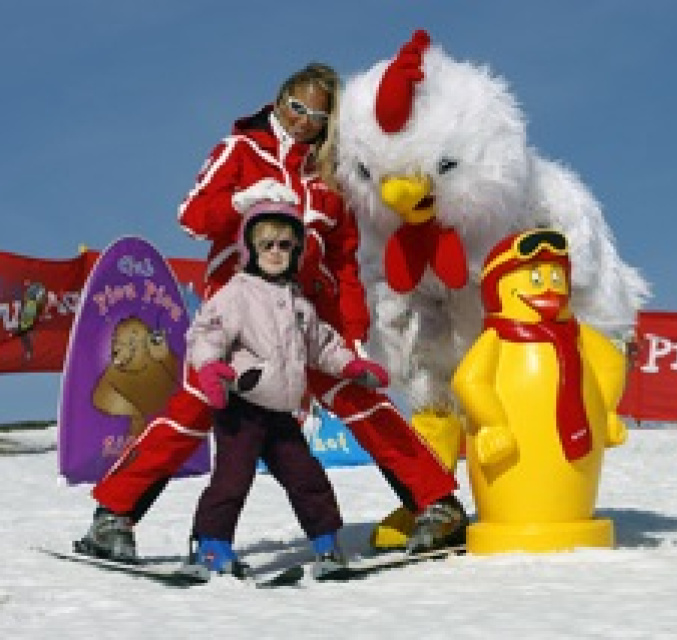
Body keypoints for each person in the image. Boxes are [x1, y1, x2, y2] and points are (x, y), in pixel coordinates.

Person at [76, 62, 466, 563]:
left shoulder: (331, 179)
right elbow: (193, 216)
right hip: (239, 317)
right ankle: (114, 516)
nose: (303, 120)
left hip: (305, 320)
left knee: (365, 402)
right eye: (295, 107)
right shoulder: (241, 151)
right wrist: (242, 199)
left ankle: (437, 504)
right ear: (279, 100)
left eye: (317, 115)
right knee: (192, 410)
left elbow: (344, 262)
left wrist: (350, 333)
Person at [185, 200, 387, 579]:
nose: (277, 252)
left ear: (296, 251)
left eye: (285, 245)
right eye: (267, 245)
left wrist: (351, 365)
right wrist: (210, 367)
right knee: (232, 479)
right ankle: (211, 548)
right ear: (250, 250)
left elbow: (322, 345)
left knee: (307, 477)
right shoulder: (237, 293)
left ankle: (327, 545)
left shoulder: (298, 302)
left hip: (279, 412)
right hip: (241, 408)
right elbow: (207, 333)